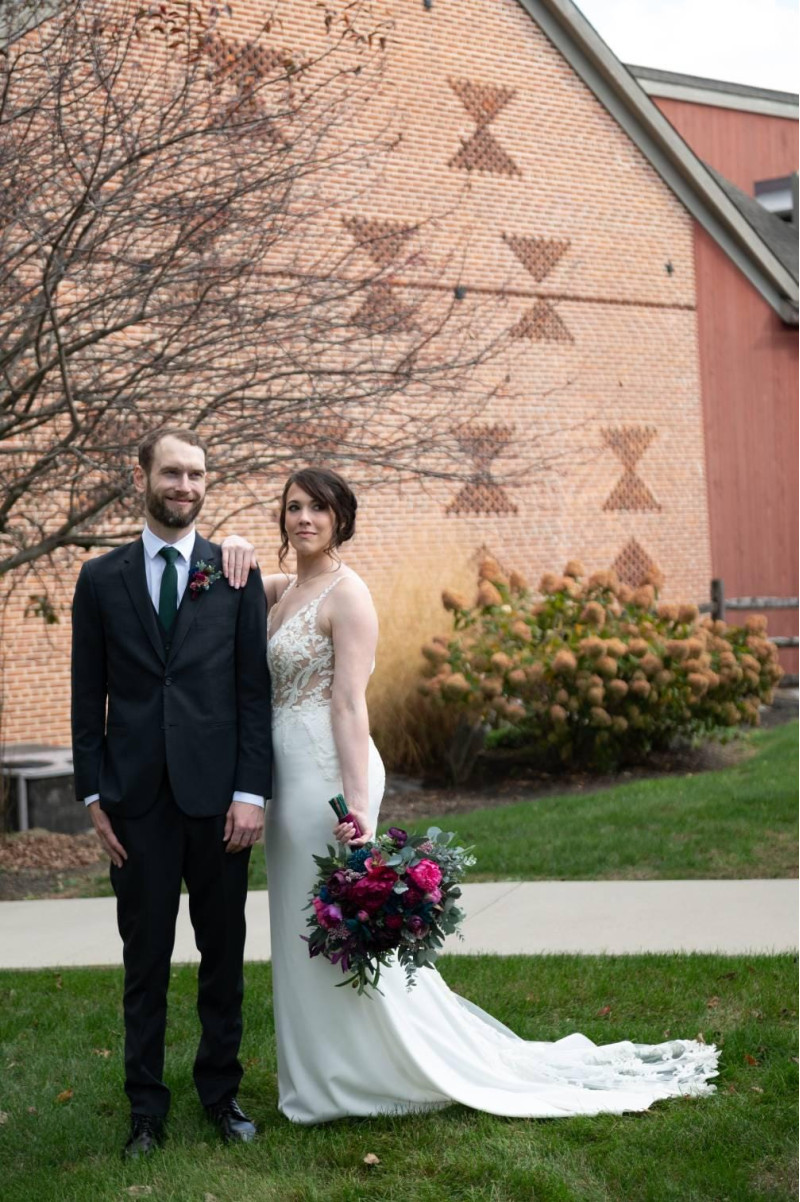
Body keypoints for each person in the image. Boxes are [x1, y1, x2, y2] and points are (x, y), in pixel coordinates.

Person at [221, 465, 720, 1125]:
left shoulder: (348, 595)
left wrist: (358, 805)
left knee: (333, 921)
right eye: (293, 508)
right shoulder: (285, 592)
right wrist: (233, 541)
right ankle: (324, 1072)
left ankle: (364, 1073)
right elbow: (233, 569)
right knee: (299, 924)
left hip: (327, 776)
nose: (304, 518)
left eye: (318, 508)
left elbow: (348, 705)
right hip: (285, 780)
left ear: (341, 519)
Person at [71, 428, 272, 1158]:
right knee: (145, 962)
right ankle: (146, 1111)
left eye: (197, 474)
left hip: (220, 803)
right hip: (136, 804)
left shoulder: (234, 574)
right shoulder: (100, 579)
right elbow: (86, 693)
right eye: (172, 473)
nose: (185, 486)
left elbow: (254, 693)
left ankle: (221, 1095)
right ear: (143, 478)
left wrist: (251, 793)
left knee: (223, 957)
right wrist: (93, 796)